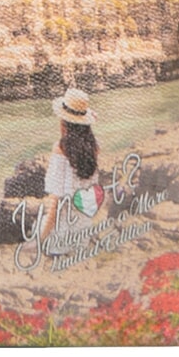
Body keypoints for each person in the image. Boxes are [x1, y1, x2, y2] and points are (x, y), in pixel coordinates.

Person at [41, 87, 104, 242]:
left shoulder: (60, 150)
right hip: (83, 231)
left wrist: (40, 240)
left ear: (64, 122)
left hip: (62, 235)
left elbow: (55, 203)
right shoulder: (94, 148)